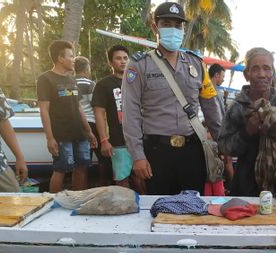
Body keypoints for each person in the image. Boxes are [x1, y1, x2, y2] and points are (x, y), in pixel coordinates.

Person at [122, 2, 221, 195]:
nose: (173, 30)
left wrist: (222, 143)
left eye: (178, 25)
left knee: (193, 210)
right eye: (166, 24)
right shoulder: (139, 65)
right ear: (155, 27)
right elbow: (130, 113)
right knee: (161, 210)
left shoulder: (197, 64)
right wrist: (137, 156)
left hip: (193, 151)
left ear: (184, 29)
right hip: (157, 153)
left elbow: (211, 106)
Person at [218, 47, 276, 202]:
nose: (261, 74)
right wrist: (247, 132)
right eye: (255, 69)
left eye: (267, 68)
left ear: (273, 73)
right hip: (246, 189)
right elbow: (224, 147)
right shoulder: (237, 108)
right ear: (247, 75)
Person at [37, 40, 97, 193]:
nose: (74, 59)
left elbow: (79, 107)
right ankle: (53, 204)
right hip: (61, 134)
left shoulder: (71, 79)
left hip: (80, 133)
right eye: (71, 56)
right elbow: (44, 110)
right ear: (60, 58)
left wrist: (88, 131)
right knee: (61, 169)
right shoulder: (45, 79)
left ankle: (79, 199)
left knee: (82, 168)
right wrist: (49, 138)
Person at [92, 45, 144, 193]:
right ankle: (125, 210)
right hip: (118, 140)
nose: (123, 61)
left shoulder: (137, 81)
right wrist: (104, 140)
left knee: (143, 177)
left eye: (125, 58)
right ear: (111, 62)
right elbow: (99, 113)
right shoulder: (103, 85)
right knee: (122, 179)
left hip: (141, 139)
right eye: (118, 58)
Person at [75, 56, 111, 186]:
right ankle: (103, 183)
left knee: (82, 162)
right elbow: (95, 104)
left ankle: (81, 189)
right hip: (91, 122)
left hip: (76, 124)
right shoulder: (90, 84)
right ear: (86, 69)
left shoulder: (69, 82)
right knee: (104, 158)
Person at [208, 62, 234, 185]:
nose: (223, 80)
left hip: (210, 134)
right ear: (217, 75)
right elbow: (219, 117)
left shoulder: (204, 90)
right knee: (227, 159)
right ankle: (232, 187)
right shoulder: (211, 92)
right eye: (223, 76)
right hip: (215, 134)